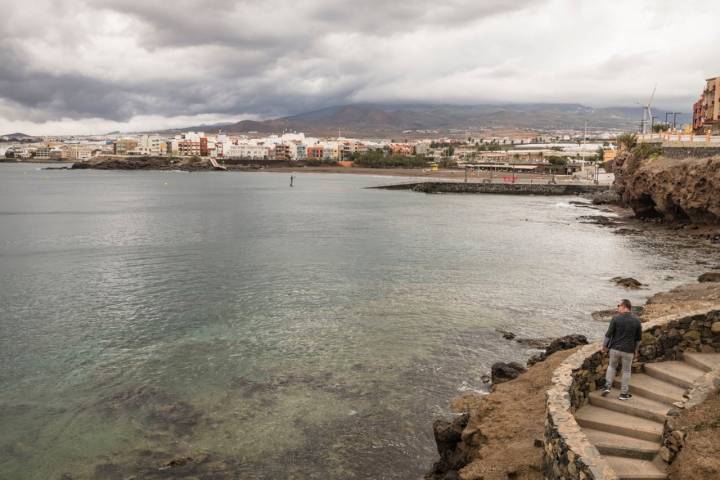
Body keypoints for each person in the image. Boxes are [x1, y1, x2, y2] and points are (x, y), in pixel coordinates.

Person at [601, 299, 642, 400]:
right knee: (627, 371)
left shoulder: (616, 319)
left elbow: (608, 335)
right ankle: (623, 393)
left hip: (615, 348)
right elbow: (638, 340)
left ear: (624, 306)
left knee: (611, 367)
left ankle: (607, 387)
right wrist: (636, 351)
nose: (618, 307)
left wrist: (604, 347)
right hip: (629, 351)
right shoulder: (637, 321)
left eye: (619, 305)